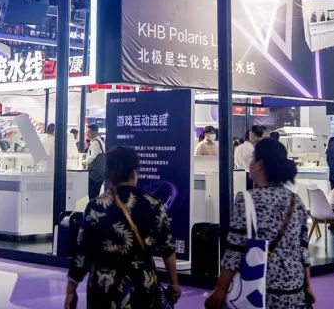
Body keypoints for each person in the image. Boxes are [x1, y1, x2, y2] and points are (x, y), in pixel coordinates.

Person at [66, 146, 182, 309]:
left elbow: (82, 252)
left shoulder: (95, 206)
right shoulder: (152, 204)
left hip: (103, 288)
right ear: (134, 173)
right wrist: (173, 283)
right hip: (142, 287)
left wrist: (71, 290)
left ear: (108, 174)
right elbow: (168, 248)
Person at [206, 139, 313, 309]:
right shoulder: (295, 200)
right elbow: (303, 248)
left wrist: (221, 288)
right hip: (294, 287)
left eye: (253, 158)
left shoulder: (247, 199)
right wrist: (308, 285)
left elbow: (235, 249)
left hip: (259, 288)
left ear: (260, 164)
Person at [234, 125, 266, 189]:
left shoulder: (239, 147)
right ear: (252, 135)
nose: (260, 139)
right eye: (259, 137)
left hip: (238, 176)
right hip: (248, 177)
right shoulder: (250, 149)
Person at [83, 124, 106, 200]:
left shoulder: (96, 142)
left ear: (95, 132)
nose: (87, 133)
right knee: (95, 194)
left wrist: (83, 162)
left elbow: (93, 156)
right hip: (100, 173)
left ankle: (93, 207)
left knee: (93, 195)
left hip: (95, 174)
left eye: (89, 131)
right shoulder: (99, 141)